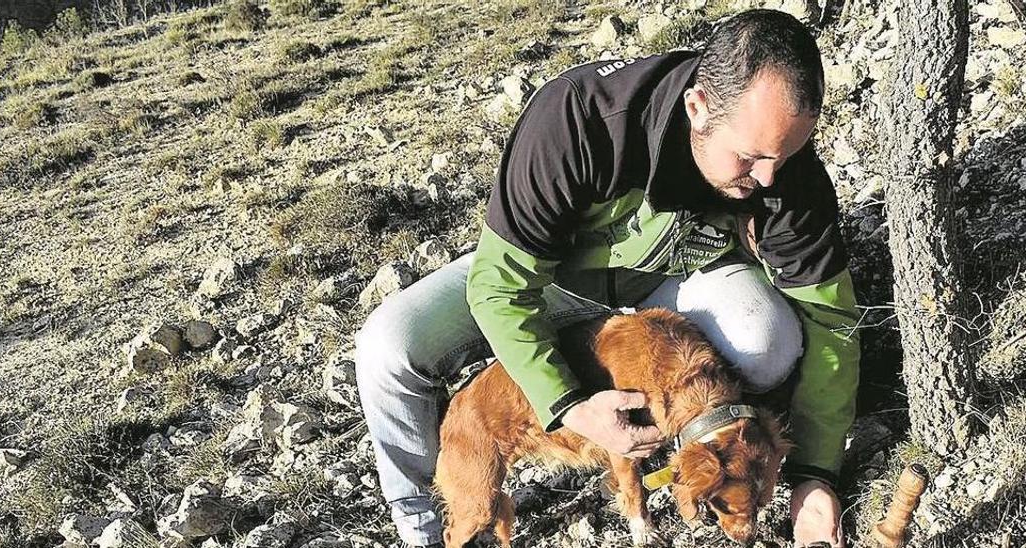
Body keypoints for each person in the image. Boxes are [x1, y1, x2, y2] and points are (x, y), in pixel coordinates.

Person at [354, 9, 860, 548]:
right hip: (554, 280)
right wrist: (570, 405)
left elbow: (831, 318)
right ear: (698, 107)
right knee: (386, 346)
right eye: (750, 157)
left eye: (784, 156)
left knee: (770, 341)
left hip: (669, 287)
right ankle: (424, 531)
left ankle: (718, 434)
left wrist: (817, 472)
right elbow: (501, 288)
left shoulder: (783, 166)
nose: (767, 178)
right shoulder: (577, 119)